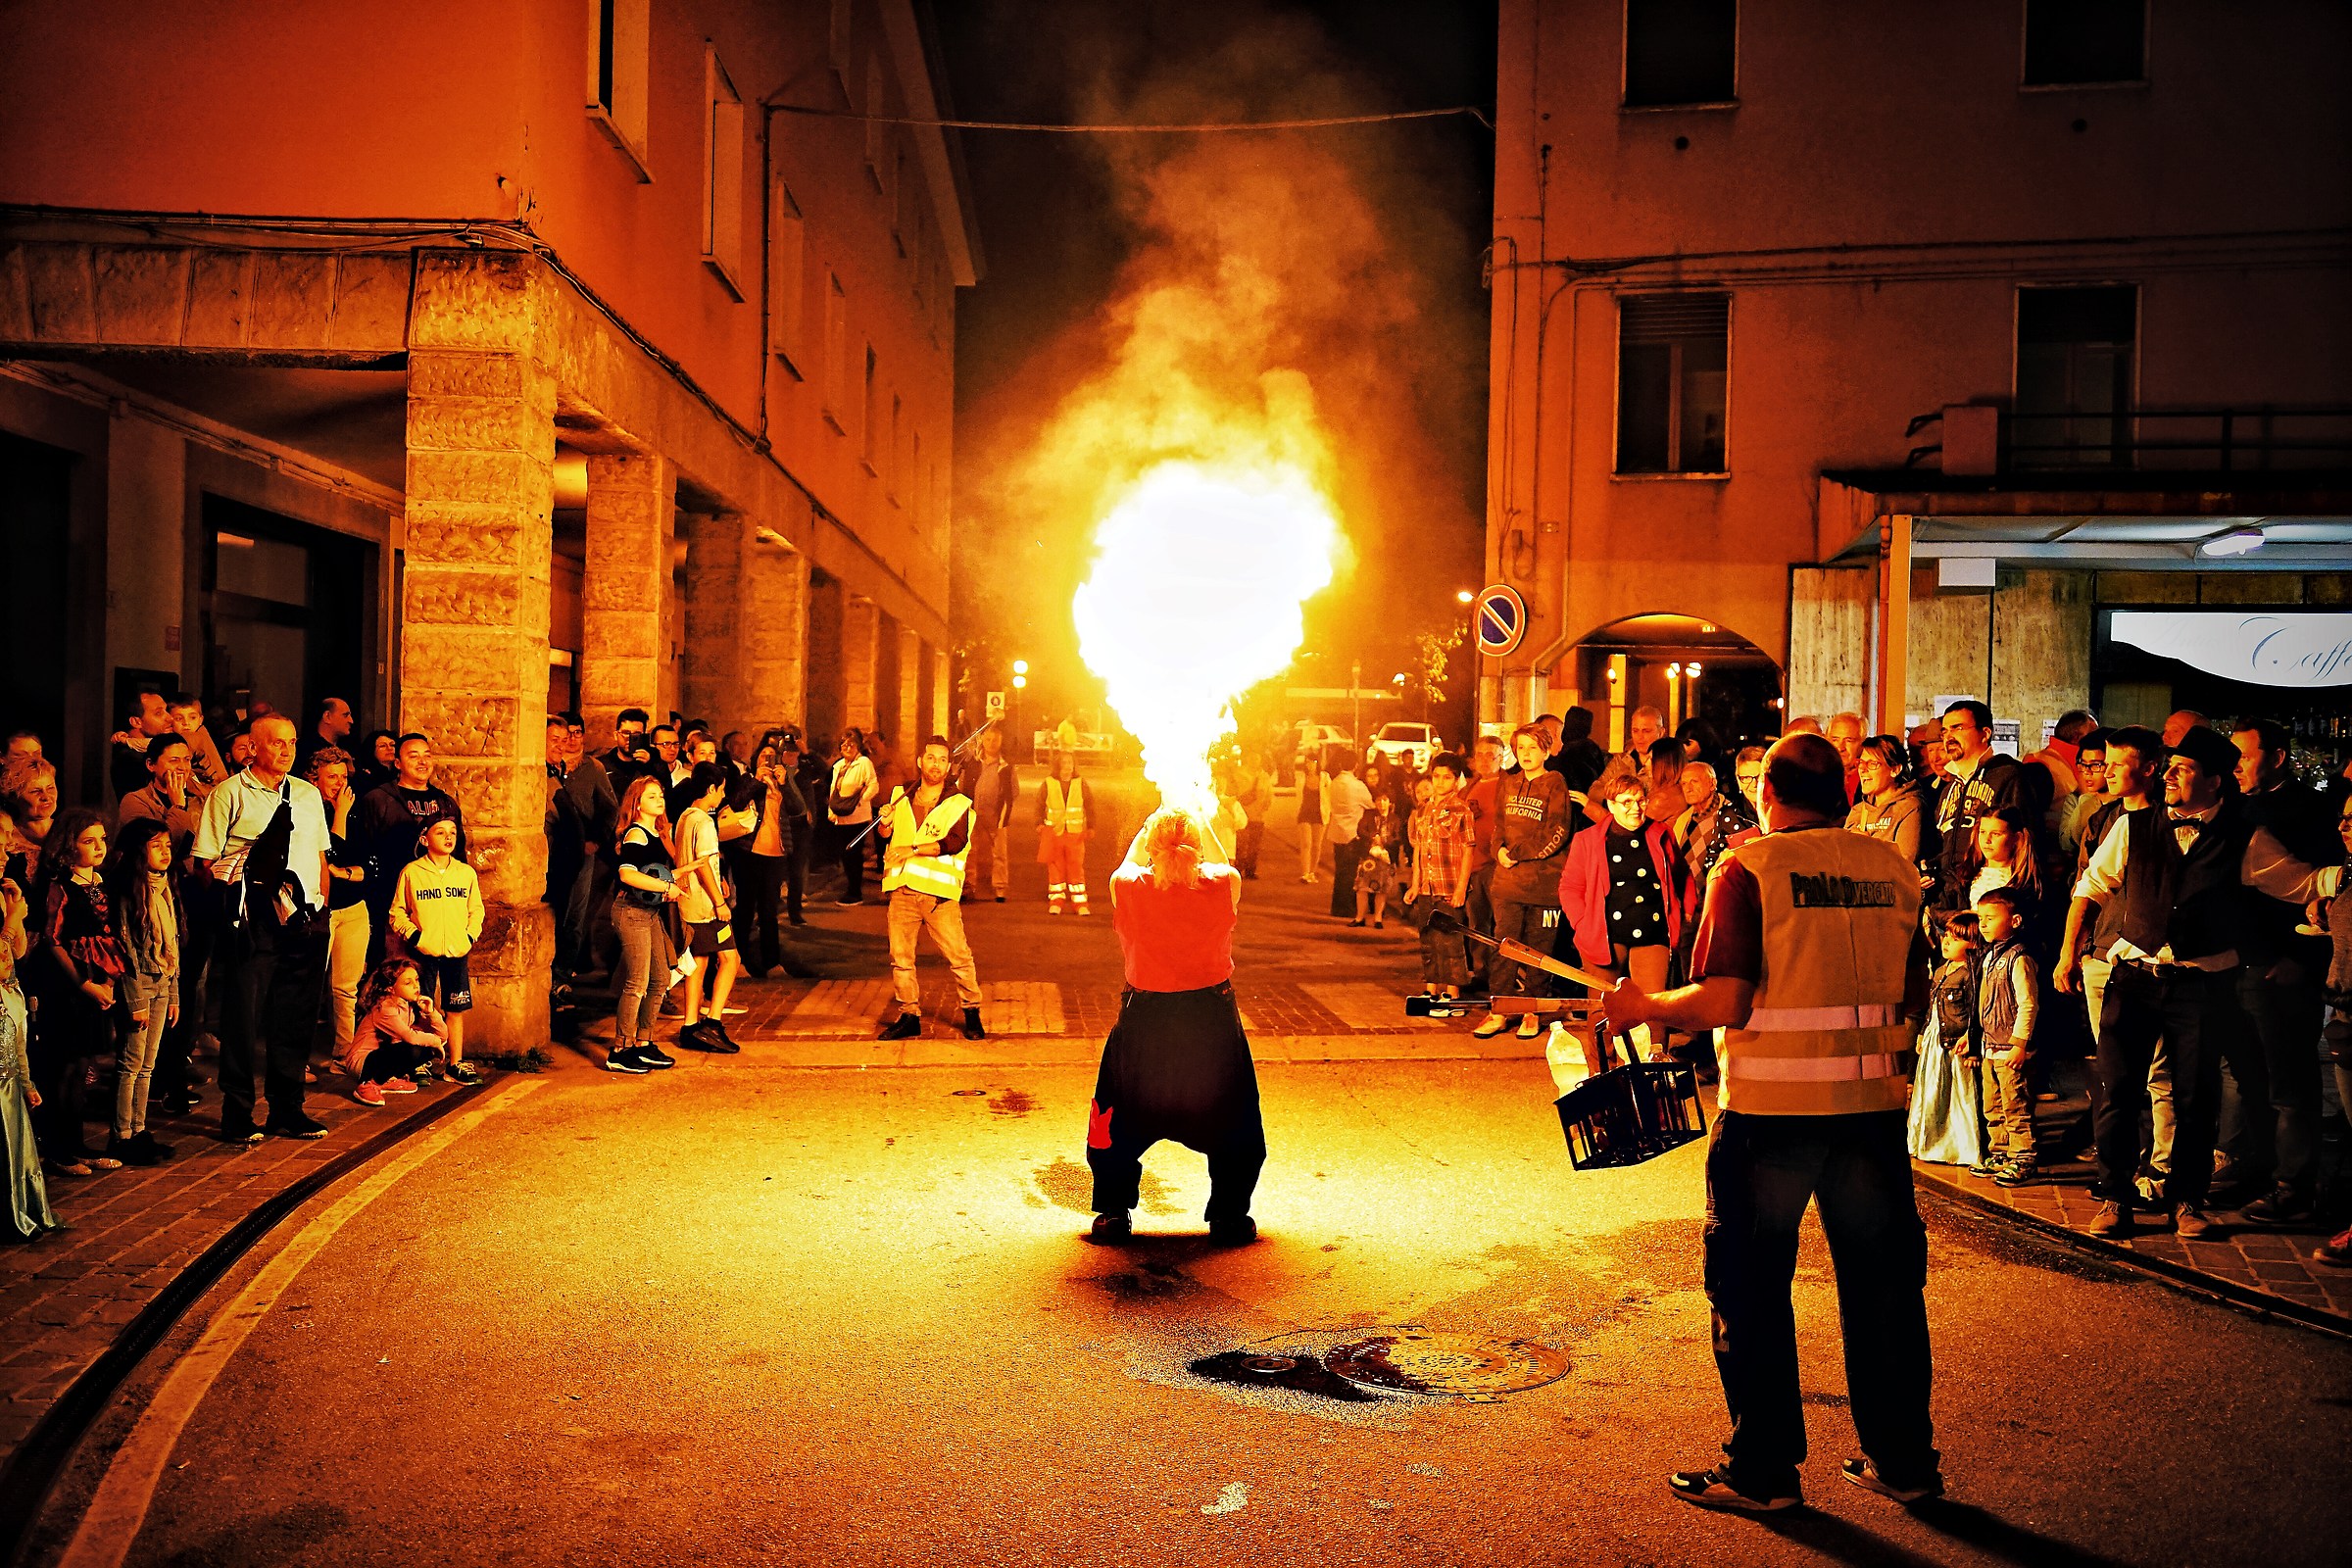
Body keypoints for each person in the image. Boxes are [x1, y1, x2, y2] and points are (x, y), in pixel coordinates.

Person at [1604, 733, 1939, 1514]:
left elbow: (1725, 998)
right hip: (1872, 1113)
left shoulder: (1749, 868)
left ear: (1768, 794)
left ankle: (1763, 1472)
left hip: (1772, 1114)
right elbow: (1916, 991)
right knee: (1885, 1289)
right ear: (1842, 794)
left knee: (1751, 1287)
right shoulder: (1893, 868)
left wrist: (1643, 1005)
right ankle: (1904, 1463)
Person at [2054, 725, 2340, 1239]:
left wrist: (2339, 882)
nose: (2168, 777)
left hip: (2203, 985)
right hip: (2134, 977)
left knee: (2195, 1097)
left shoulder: (2244, 835)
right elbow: (2091, 887)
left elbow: (2299, 880)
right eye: (2169, 768)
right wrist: (2067, 953)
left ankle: (2187, 1200)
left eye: (2182, 770)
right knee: (2118, 1091)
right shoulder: (2133, 826)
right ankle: (2115, 1196)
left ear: (2214, 781)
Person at [1085, 807, 1262, 1247]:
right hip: (1209, 1017)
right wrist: (1200, 817)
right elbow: (1223, 861)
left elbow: (1128, 862)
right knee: (1231, 1112)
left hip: (1146, 1017)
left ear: (1151, 845)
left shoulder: (1128, 885)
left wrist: (1150, 822)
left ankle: (1112, 1212)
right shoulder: (1224, 883)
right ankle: (1229, 1217)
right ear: (1196, 848)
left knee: (1119, 1112)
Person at [191, 713, 330, 1144]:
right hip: (253, 922)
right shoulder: (229, 793)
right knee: (243, 1016)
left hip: (304, 919)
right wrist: (233, 910)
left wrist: (320, 906)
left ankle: (288, 1109)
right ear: (253, 747)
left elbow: (320, 857)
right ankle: (237, 1113)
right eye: (276, 742)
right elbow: (204, 863)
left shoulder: (307, 794)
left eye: (292, 742)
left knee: (296, 1016)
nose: (287, 750)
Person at [2221, 717, 2337, 1226]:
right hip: (2240, 961)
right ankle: (2253, 1166)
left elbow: (2325, 892)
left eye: (2245, 756)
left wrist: (2301, 960)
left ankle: (2295, 1186)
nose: (2236, 767)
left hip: (2284, 967)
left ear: (2277, 757)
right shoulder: (2235, 805)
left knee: (2290, 1080)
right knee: (2245, 1074)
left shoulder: (2310, 811)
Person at [1558, 772, 1687, 1059]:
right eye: (1626, 802)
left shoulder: (1661, 834)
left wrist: (1686, 909)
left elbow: (1680, 874)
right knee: (1601, 1007)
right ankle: (1603, 1070)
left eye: (1640, 800)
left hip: (1651, 929)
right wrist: (1582, 923)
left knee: (1654, 1005)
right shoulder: (1588, 840)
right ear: (1611, 805)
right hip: (1605, 933)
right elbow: (1570, 887)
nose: (1635, 808)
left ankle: (1654, 1067)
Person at [33, 809, 126, 1178]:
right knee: (64, 1066)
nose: (99, 847)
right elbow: (54, 939)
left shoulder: (101, 883)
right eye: (89, 841)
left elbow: (109, 936)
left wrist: (109, 982)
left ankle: (77, 1143)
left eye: (102, 839)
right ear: (68, 846)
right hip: (68, 987)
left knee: (84, 1065)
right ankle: (57, 1148)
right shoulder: (61, 886)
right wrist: (84, 984)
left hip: (99, 982)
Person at [875, 737, 985, 1042]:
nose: (936, 764)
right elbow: (885, 835)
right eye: (931, 758)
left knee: (959, 956)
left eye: (942, 760)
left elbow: (955, 842)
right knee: (901, 958)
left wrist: (913, 850)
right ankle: (909, 1015)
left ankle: (972, 1013)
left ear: (948, 767)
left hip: (939, 896)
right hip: (903, 890)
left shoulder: (959, 803)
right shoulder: (900, 796)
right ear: (921, 761)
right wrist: (885, 822)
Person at [1476, 725, 1572, 1041]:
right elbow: (1499, 825)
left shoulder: (1555, 782)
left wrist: (1518, 854)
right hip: (1508, 884)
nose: (1526, 754)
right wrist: (1498, 851)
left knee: (1539, 951)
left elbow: (1557, 831)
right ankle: (1500, 1010)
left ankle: (1533, 1010)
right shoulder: (1508, 782)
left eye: (1533, 747)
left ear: (1545, 751)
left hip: (1544, 886)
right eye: (1521, 747)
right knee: (1504, 947)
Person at [107, 816, 183, 1167]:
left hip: (162, 981)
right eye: (156, 846)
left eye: (168, 845)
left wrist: (174, 992)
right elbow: (125, 948)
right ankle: (121, 1135)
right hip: (139, 984)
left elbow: (172, 943)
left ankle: (139, 1130)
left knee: (148, 1065)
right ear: (139, 850)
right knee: (130, 1063)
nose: (165, 852)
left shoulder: (164, 887)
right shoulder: (129, 890)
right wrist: (135, 999)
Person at [356, 733, 466, 967]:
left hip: (438, 909)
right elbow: (364, 850)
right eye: (413, 756)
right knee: (396, 971)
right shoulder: (378, 799)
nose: (422, 762)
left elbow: (459, 857)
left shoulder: (445, 803)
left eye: (427, 755)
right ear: (397, 763)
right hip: (393, 904)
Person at [0, 821, 61, 1239]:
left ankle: (22, 1203)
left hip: (9, 1008)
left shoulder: (4, 890)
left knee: (13, 1099)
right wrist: (11, 918)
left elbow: (17, 952)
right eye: (1, 841)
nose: (8, 849)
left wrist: (15, 909)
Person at [390, 817, 485, 1082]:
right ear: (424, 839)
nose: (448, 837)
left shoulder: (465, 873)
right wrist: (416, 936)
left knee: (456, 1007)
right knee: (421, 1006)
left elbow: (476, 910)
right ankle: (419, 1061)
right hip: (424, 952)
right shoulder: (412, 872)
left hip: (456, 950)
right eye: (440, 832)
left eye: (452, 832)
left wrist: (469, 937)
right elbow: (397, 911)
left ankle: (455, 1063)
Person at [608, 776, 684, 1074]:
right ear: (637, 804)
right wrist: (666, 888)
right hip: (631, 912)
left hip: (648, 912)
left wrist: (676, 877)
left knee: (661, 978)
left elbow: (654, 872)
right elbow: (627, 874)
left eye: (660, 795)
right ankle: (620, 1049)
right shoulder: (636, 835)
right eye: (652, 796)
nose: (660, 800)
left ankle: (644, 1041)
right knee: (637, 983)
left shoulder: (655, 833)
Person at [666, 763, 742, 1054]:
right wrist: (719, 902)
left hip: (688, 901)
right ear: (711, 788)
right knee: (731, 959)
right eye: (721, 790)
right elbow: (703, 864)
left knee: (699, 961)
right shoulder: (705, 821)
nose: (722, 796)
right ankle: (713, 1022)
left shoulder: (685, 817)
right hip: (706, 906)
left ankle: (690, 1026)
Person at [1971, 886, 2042, 1185]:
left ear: (2014, 920)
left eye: (1990, 918)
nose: (1983, 924)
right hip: (1990, 1045)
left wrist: (2019, 1043)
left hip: (2010, 1049)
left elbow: (2028, 1003)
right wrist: (1974, 1039)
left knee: (2016, 1104)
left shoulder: (2019, 958)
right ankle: (2000, 1152)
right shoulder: (1989, 956)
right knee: (1993, 1105)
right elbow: (1982, 1002)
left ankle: (2023, 1157)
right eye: (1980, 918)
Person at [1931, 701, 2025, 917]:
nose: (1949, 736)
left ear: (1985, 734)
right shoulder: (1949, 788)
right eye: (1945, 731)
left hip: (1988, 901)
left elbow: (2026, 841)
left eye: (1958, 728)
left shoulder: (2008, 776)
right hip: (1948, 902)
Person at [308, 748, 371, 1067]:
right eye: (331, 777)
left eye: (343, 776)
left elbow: (369, 866)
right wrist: (340, 815)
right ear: (314, 779)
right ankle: (297, 1058)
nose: (339, 783)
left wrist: (344, 872)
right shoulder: (311, 810)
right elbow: (332, 853)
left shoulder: (355, 812)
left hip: (354, 908)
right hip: (322, 910)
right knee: (309, 984)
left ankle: (344, 1053)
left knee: (346, 989)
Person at [1908, 911, 1986, 1168]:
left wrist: (1971, 1040)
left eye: (1957, 938)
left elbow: (1975, 1009)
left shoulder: (1971, 974)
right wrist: (1922, 1032)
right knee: (1931, 1091)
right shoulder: (1942, 970)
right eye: (1947, 935)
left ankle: (1958, 1146)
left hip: (1956, 1041)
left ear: (1974, 944)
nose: (1947, 941)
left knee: (1957, 1095)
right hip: (1935, 1038)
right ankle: (1927, 1140)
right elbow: (1932, 1005)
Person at [737, 734, 807, 978]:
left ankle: (772, 962)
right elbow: (736, 802)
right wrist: (757, 781)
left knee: (769, 910)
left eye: (772, 756)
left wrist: (785, 783)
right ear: (756, 759)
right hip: (750, 852)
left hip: (776, 853)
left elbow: (798, 809)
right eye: (763, 756)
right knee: (746, 909)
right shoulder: (748, 779)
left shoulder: (782, 782)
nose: (767, 760)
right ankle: (740, 961)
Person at [1406, 753, 1474, 1003]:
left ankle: (1452, 993)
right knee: (1428, 939)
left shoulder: (1462, 810)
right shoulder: (1423, 810)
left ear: (1456, 780)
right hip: (1427, 886)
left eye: (1447, 777)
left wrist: (1461, 888)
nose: (1440, 782)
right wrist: (1415, 884)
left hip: (1449, 886)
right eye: (1436, 776)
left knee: (1450, 941)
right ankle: (1431, 989)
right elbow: (1419, 849)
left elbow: (1468, 849)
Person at [342, 957, 446, 1105]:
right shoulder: (385, 1007)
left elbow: (442, 1037)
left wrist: (431, 1013)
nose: (415, 986)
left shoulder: (408, 1006)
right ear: (390, 988)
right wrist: (435, 1042)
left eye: (416, 980)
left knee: (428, 1048)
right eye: (407, 983)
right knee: (414, 1049)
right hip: (362, 1063)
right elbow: (410, 1037)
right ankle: (368, 1084)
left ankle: (385, 1080)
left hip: (381, 1056)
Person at [1462, 735, 1505, 993]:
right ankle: (1481, 972)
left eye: (1491, 755)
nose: (1485, 760)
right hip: (1473, 864)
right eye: (1480, 754)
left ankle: (1503, 975)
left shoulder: (1507, 785)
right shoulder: (1470, 787)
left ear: (1501, 758)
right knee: (1477, 922)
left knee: (1502, 924)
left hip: (1496, 864)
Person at [959, 726, 1019, 903]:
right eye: (988, 739)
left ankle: (1000, 887)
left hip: (996, 816)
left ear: (1000, 741)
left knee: (999, 852)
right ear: (982, 741)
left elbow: (1014, 792)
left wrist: (1003, 813)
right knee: (969, 850)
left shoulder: (1005, 767)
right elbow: (962, 786)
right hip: (973, 813)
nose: (991, 743)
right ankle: (969, 885)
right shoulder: (972, 763)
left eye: (995, 740)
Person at [1844, 736, 1923, 867]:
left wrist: (1868, 846)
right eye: (1861, 763)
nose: (1863, 769)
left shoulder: (1909, 807)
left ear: (1895, 770)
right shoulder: (1857, 811)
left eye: (1872, 764)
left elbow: (1904, 862)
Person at [1037, 749, 1094, 915]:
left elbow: (1090, 805)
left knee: (1076, 867)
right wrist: (1038, 823)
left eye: (1070, 762)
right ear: (1058, 765)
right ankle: (1056, 900)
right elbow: (1039, 804)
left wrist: (1091, 826)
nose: (1068, 766)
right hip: (1054, 833)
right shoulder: (1048, 783)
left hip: (1075, 834)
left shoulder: (1081, 783)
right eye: (1064, 762)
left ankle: (1080, 903)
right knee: (1055, 868)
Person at [827, 728, 878, 906]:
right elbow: (834, 789)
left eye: (851, 744)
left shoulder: (863, 763)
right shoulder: (839, 766)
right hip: (841, 817)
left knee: (853, 854)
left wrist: (861, 800)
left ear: (858, 746)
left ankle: (855, 892)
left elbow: (873, 785)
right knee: (845, 854)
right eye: (844, 745)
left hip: (857, 818)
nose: (847, 748)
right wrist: (832, 811)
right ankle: (851, 888)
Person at [1322, 758, 1374, 920]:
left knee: (1339, 872)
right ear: (1356, 765)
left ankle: (1336, 907)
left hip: (1336, 832)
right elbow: (1370, 804)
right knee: (1350, 873)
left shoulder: (1334, 783)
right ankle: (1347, 908)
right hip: (1352, 833)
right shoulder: (1357, 786)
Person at [109, 685, 180, 801]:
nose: (170, 718)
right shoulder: (130, 760)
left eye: (166, 710)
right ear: (136, 722)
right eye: (158, 713)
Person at [1351, 769, 1402, 928]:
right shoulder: (1368, 815)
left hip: (1386, 860)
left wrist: (1384, 841)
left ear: (1390, 802)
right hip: (1368, 858)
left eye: (1385, 800)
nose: (1381, 803)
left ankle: (1378, 918)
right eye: (1378, 800)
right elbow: (1360, 830)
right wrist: (1373, 837)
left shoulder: (1395, 819)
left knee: (1382, 890)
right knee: (1362, 888)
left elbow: (1398, 838)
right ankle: (1360, 918)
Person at [1232, 748, 1272, 880]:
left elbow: (1269, 794)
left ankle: (1250, 870)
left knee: (1255, 845)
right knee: (1241, 843)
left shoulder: (1264, 776)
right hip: (1242, 815)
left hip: (1258, 816)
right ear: (1248, 759)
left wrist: (1265, 806)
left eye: (1257, 759)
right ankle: (1238, 868)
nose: (1255, 761)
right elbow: (1234, 792)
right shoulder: (1239, 774)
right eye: (1253, 759)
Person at [294, 696, 355, 778]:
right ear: (327, 716)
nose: (351, 721)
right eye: (345, 715)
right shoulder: (303, 750)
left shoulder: (348, 750)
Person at [1294, 746, 1326, 883]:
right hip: (1304, 813)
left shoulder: (1324, 778)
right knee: (1306, 843)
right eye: (1307, 762)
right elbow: (1298, 795)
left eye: (1313, 762)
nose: (1310, 765)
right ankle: (1305, 873)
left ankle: (1313, 872)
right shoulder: (1301, 777)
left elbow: (1329, 796)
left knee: (1317, 845)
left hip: (1319, 814)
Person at [1826, 711, 1866, 807]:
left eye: (1849, 740)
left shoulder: (1869, 778)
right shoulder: (1818, 775)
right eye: (1835, 740)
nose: (1840, 748)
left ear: (1862, 743)